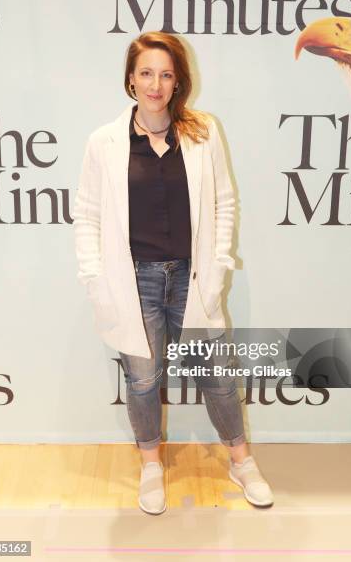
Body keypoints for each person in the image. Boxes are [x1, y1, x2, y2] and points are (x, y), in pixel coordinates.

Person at [73, 31, 274, 515]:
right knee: (142, 380)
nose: (155, 84)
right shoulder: (105, 142)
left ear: (179, 81)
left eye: (166, 74)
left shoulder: (203, 133)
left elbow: (225, 202)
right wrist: (94, 278)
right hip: (134, 280)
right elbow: (87, 215)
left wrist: (221, 263)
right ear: (130, 79)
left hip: (192, 276)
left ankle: (240, 460)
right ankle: (149, 464)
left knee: (218, 375)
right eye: (146, 73)